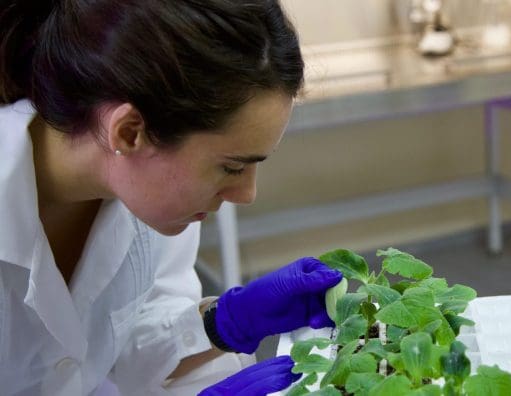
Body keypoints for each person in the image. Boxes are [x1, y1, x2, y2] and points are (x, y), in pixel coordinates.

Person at [0, 0, 344, 395]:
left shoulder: (150, 200)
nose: (246, 195)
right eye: (232, 167)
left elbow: (128, 339)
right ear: (129, 132)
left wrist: (225, 322)